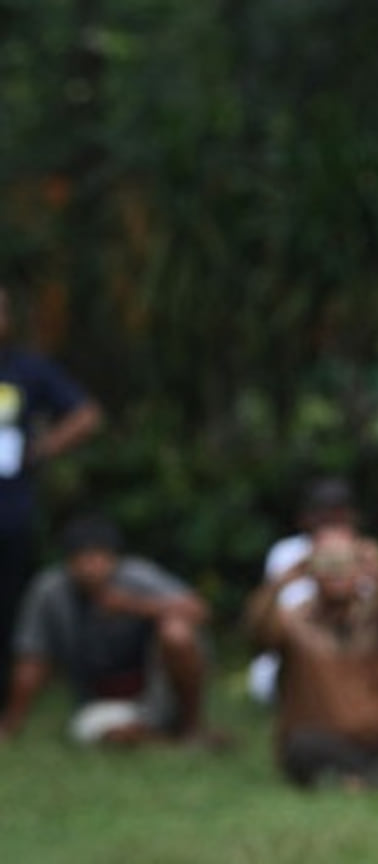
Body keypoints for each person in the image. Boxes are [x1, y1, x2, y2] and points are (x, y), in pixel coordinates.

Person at [246, 528, 378, 789]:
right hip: (328, 744)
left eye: (346, 560)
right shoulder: (294, 622)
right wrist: (280, 583)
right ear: (311, 567)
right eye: (328, 561)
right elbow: (256, 632)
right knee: (301, 747)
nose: (337, 571)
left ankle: (365, 779)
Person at [0, 515, 212, 746]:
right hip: (102, 702)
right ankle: (161, 740)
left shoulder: (137, 576)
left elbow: (198, 610)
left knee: (177, 632)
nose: (90, 568)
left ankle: (191, 728)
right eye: (82, 558)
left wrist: (133, 606)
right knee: (103, 733)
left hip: (158, 690)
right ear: (68, 562)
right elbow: (32, 660)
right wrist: (11, 724)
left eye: (97, 557)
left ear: (114, 558)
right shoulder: (49, 591)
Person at [0, 286, 103, 711]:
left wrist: (42, 448)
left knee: (8, 608)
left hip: (9, 514)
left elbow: (87, 415)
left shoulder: (26, 370)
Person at [247, 477, 378, 703]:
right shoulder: (288, 555)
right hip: (302, 654)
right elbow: (262, 626)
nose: (332, 523)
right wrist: (288, 578)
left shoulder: (367, 554)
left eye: (339, 517)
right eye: (326, 517)